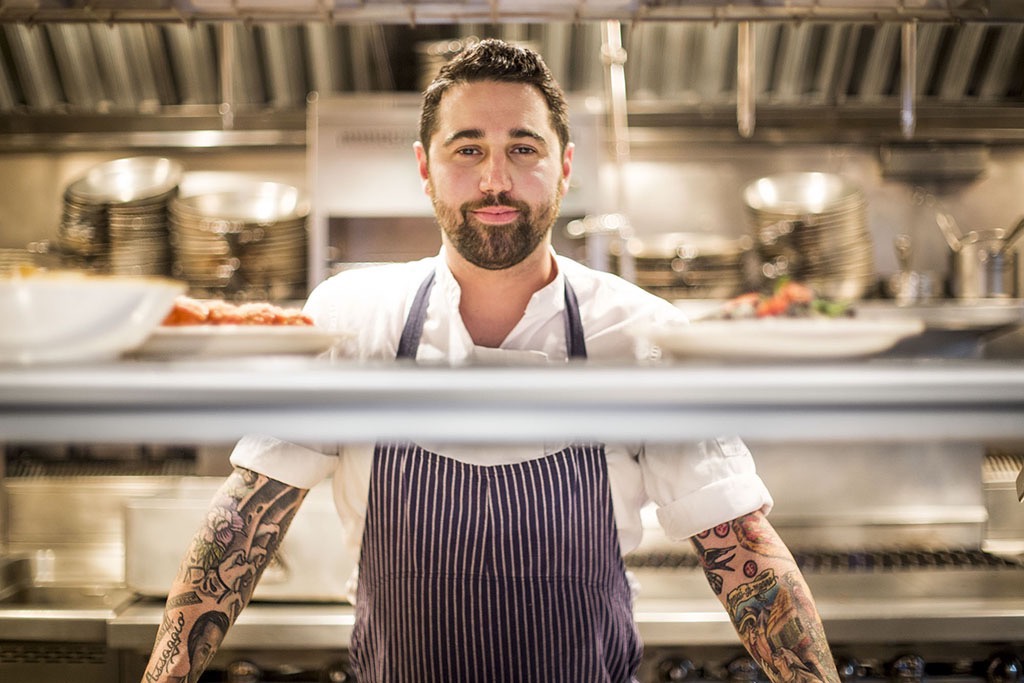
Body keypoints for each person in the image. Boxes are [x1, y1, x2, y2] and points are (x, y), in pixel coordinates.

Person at [141, 38, 840, 683]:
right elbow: (240, 526)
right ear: (425, 167)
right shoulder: (353, 318)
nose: (496, 181)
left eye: (524, 149)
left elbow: (745, 556)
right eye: (467, 150)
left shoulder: (641, 333)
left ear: (565, 167)